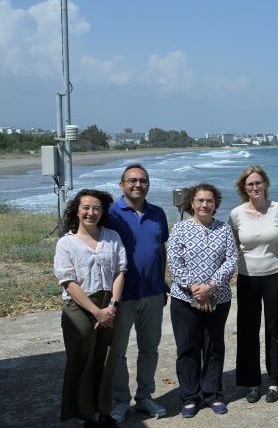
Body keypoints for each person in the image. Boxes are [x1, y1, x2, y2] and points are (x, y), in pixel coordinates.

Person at [54, 189, 126, 428]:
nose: (91, 212)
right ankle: (86, 414)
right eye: (86, 207)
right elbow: (68, 281)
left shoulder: (112, 237)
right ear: (77, 211)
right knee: (82, 359)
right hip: (79, 306)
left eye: (96, 208)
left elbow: (120, 271)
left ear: (102, 212)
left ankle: (104, 412)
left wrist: (112, 305)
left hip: (109, 303)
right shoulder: (66, 243)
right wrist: (96, 312)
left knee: (106, 360)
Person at [167, 183, 237, 418]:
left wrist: (210, 287)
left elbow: (231, 260)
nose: (205, 205)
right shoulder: (179, 229)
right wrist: (196, 289)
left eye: (209, 201)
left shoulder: (224, 229)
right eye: (200, 200)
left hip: (218, 298)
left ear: (215, 204)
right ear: (192, 203)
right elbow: (175, 263)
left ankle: (213, 393)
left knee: (213, 346)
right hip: (185, 299)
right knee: (188, 347)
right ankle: (190, 397)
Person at [106, 164, 169, 422]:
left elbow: (160, 249)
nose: (138, 185)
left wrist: (162, 283)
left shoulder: (158, 213)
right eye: (132, 180)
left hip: (153, 293)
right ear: (121, 184)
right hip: (121, 296)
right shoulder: (110, 213)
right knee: (117, 351)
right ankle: (120, 400)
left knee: (150, 349)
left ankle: (145, 397)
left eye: (143, 181)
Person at [229, 165, 278, 404]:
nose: (255, 187)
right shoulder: (236, 214)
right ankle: (252, 382)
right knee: (248, 329)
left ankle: (274, 381)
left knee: (276, 329)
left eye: (258, 182)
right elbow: (235, 246)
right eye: (250, 184)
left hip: (274, 275)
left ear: (265, 184)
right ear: (244, 188)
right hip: (247, 277)